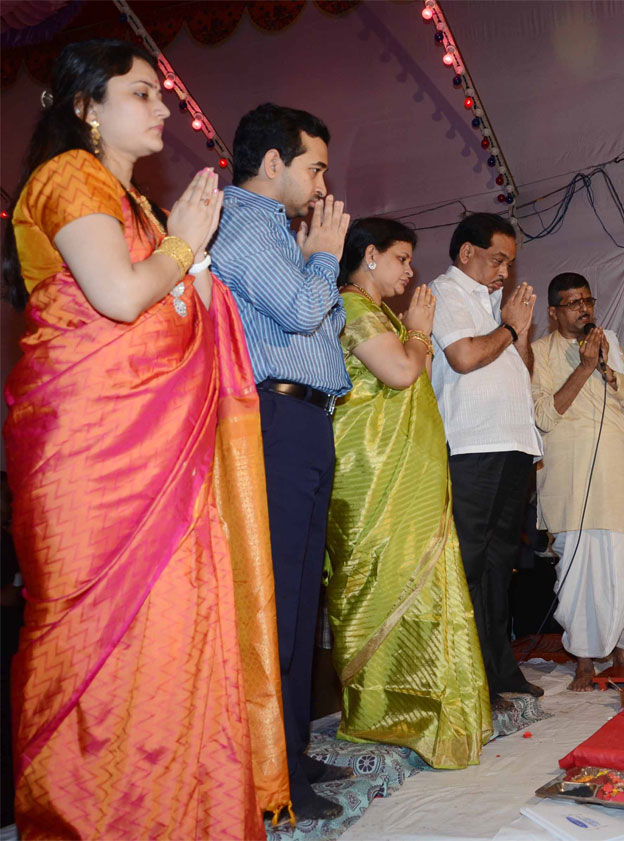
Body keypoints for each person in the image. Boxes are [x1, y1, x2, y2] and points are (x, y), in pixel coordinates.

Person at [1, 40, 286, 838]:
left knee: (173, 635)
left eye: (161, 95)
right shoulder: (68, 179)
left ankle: (177, 815)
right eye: (142, 93)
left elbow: (178, 313)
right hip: (88, 454)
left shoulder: (146, 210)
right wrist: (185, 248)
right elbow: (122, 296)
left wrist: (188, 266)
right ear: (86, 106)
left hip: (163, 451)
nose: (165, 109)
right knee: (93, 642)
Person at [209, 103, 351, 820]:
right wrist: (322, 257)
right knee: (279, 605)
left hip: (304, 418)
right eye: (314, 166)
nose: (323, 182)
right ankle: (272, 777)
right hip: (276, 418)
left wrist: (313, 263)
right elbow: (304, 311)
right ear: (274, 164)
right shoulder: (243, 228)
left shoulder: (275, 234)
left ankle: (291, 751)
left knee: (299, 605)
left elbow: (330, 320)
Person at [325, 218, 492, 766]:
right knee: (379, 583)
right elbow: (399, 373)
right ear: (369, 256)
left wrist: (411, 330)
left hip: (407, 478)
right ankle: (380, 712)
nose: (410, 269)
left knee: (422, 586)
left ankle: (427, 708)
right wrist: (419, 332)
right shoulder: (351, 307)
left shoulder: (380, 314)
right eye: (401, 258)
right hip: (371, 474)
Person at [429, 213, 544, 701]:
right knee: (470, 564)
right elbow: (464, 357)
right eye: (497, 260)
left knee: (501, 566)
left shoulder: (499, 304)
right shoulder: (444, 292)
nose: (504, 272)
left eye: (510, 264)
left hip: (514, 443)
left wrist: (517, 329)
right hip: (472, 447)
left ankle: (500, 671)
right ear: (466, 254)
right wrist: (510, 327)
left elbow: (524, 368)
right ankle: (464, 678)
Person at [531, 273, 624, 691]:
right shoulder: (538, 353)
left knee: (623, 566)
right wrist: (584, 368)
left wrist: (608, 370)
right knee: (578, 572)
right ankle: (583, 659)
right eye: (572, 303)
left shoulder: (610, 343)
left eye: (587, 300)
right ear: (553, 312)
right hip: (572, 479)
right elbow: (544, 416)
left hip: (617, 475)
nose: (583, 309)